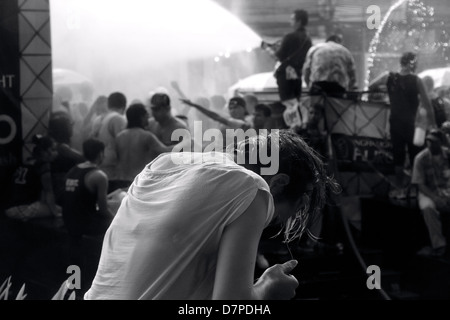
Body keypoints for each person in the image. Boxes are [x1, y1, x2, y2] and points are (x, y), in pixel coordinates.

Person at [84, 130, 340, 300]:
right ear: (279, 182)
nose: (271, 222)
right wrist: (267, 289)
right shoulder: (253, 186)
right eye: (281, 214)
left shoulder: (164, 163)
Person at [373, 52, 436, 192]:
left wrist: (386, 94)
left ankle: (400, 188)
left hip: (395, 123)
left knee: (398, 155)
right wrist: (433, 126)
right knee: (415, 156)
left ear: (401, 62)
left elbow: (371, 87)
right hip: (411, 125)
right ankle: (415, 190)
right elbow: (427, 104)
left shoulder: (388, 76)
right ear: (413, 64)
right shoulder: (416, 80)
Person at [62, 138, 115, 294]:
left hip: (69, 221)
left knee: (75, 253)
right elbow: (104, 210)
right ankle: (107, 276)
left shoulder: (73, 170)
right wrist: (117, 220)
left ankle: (74, 286)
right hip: (86, 224)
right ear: (100, 154)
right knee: (115, 228)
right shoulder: (99, 175)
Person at [115, 103, 174, 187]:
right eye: (147, 115)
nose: (148, 118)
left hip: (121, 181)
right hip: (138, 182)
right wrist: (184, 143)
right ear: (141, 117)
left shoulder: (119, 137)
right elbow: (165, 151)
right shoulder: (146, 136)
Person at [5, 135, 61, 221]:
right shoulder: (44, 166)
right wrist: (56, 214)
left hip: (10, 207)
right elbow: (49, 192)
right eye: (53, 150)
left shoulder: (28, 162)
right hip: (22, 208)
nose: (57, 153)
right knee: (63, 211)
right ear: (46, 151)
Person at [411, 129, 450, 257]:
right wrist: (436, 198)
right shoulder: (421, 159)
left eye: (434, 142)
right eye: (428, 141)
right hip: (428, 192)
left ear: (441, 142)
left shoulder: (448, 155)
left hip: (446, 189)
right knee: (428, 208)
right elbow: (420, 184)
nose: (430, 144)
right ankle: (439, 245)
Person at [273, 9, 312, 107]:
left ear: (298, 21)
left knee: (287, 105)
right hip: (298, 76)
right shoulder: (308, 39)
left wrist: (270, 50)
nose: (290, 21)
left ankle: (289, 122)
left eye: (292, 19)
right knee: (295, 104)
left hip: (285, 76)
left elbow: (279, 56)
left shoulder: (290, 37)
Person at [180, 96, 252, 149]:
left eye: (236, 107)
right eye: (231, 108)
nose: (233, 111)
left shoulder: (249, 122)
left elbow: (214, 116)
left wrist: (194, 105)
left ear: (244, 108)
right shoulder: (228, 121)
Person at [303, 34, 357, 98]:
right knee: (335, 106)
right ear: (338, 41)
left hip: (318, 86)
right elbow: (352, 76)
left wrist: (309, 86)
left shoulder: (314, 49)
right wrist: (349, 91)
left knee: (316, 106)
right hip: (338, 87)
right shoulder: (345, 51)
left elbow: (307, 71)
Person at [48, 112, 86, 204]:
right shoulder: (62, 147)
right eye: (70, 125)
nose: (72, 128)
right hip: (62, 185)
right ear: (64, 129)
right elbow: (83, 159)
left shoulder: (55, 144)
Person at [95, 92, 127, 192]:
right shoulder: (118, 118)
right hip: (113, 169)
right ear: (124, 106)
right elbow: (122, 144)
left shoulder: (98, 119)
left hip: (99, 165)